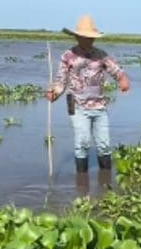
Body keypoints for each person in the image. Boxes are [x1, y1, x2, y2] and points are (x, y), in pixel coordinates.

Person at [45, 14, 130, 174]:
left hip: (99, 105)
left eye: (91, 38)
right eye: (85, 37)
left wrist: (123, 80)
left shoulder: (101, 55)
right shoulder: (68, 56)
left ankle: (105, 179)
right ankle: (81, 182)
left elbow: (116, 70)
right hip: (76, 106)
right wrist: (54, 93)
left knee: (104, 144)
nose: (89, 40)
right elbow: (61, 80)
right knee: (82, 142)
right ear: (77, 37)